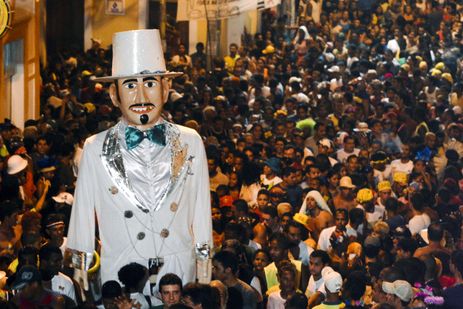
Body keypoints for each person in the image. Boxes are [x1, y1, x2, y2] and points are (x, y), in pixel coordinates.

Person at [66, 29, 212, 301]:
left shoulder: (190, 142)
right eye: (130, 85)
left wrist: (203, 275)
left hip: (177, 269)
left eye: (151, 83)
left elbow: (202, 212)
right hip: (121, 269)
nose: (141, 95)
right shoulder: (95, 147)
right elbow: (82, 218)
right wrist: (80, 279)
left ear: (166, 89)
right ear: (114, 94)